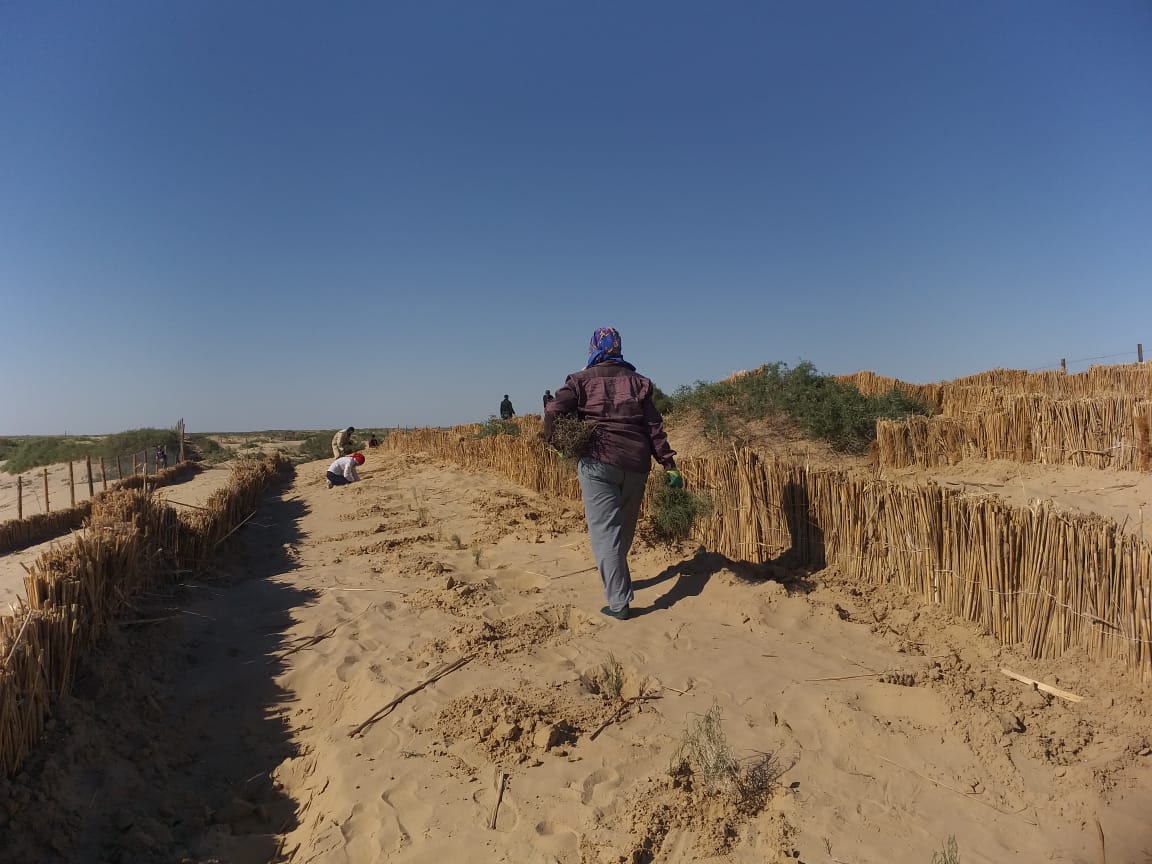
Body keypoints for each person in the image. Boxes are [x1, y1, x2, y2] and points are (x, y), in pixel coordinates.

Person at [541, 326, 681, 621]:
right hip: (636, 462)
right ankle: (619, 579)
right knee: (624, 527)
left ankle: (618, 603)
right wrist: (668, 464)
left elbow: (553, 409)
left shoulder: (579, 380)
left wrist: (556, 442)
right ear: (618, 348)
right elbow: (653, 426)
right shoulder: (638, 381)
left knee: (605, 532)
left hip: (597, 462)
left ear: (594, 347)